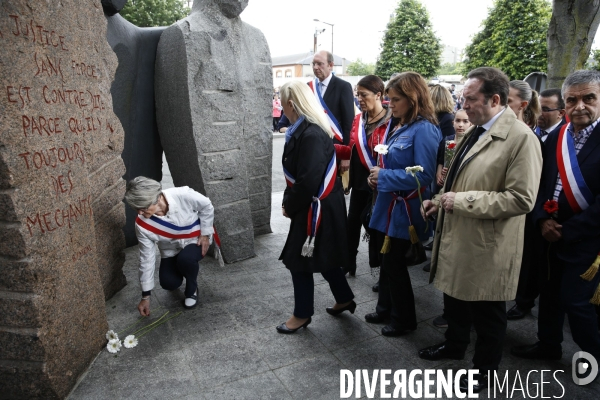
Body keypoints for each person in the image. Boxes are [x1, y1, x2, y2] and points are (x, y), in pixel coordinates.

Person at [419, 67, 542, 393]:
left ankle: (484, 372)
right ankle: (454, 345)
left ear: (496, 99)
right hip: (459, 236)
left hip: (488, 245)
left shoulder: (521, 139)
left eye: (470, 99)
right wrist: (437, 200)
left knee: (488, 313)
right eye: (463, 98)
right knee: (455, 300)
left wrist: (460, 201)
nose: (464, 105)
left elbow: (522, 199)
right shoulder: (475, 129)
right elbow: (458, 176)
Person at [511, 70, 600, 363]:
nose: (580, 106)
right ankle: (548, 346)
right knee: (548, 296)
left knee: (577, 302)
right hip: (548, 236)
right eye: (572, 100)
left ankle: (592, 359)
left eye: (589, 98)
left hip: (586, 241)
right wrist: (540, 219)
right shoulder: (555, 138)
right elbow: (534, 184)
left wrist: (568, 230)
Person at [363, 72, 441, 337]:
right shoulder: (398, 125)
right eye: (388, 99)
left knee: (395, 264)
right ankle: (385, 308)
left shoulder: (425, 129)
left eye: (395, 100)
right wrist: (376, 177)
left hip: (406, 208)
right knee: (387, 261)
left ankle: (404, 319)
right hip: (388, 203)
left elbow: (424, 174)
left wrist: (384, 176)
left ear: (413, 98)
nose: (389, 104)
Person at [277, 80, 355, 334]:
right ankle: (343, 298)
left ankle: (302, 314)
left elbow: (307, 181)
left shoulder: (309, 133)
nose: (281, 110)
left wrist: (290, 205)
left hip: (315, 207)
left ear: (291, 103)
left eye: (282, 103)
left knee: (299, 260)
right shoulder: (306, 129)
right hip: (320, 205)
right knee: (324, 255)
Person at [507, 88, 567, 321]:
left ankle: (527, 303)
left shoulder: (559, 136)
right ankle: (523, 299)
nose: (541, 113)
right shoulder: (537, 132)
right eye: (539, 107)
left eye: (547, 109)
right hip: (535, 209)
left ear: (561, 112)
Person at [124, 177, 214, 315]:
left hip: (195, 240)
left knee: (186, 259)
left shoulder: (183, 195)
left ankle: (192, 289)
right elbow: (146, 258)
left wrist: (206, 233)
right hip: (170, 249)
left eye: (143, 207)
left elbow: (207, 206)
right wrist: (145, 296)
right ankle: (183, 265)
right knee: (169, 283)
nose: (139, 213)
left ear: (157, 198)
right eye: (136, 208)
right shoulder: (142, 225)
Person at [334, 75, 392, 279]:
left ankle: (378, 270)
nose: (359, 98)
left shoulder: (391, 120)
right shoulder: (358, 119)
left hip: (379, 182)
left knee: (373, 227)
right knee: (352, 224)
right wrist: (328, 149)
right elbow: (351, 147)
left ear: (379, 95)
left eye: (364, 94)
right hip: (359, 180)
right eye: (357, 94)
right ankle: (349, 262)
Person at [310, 50, 355, 172]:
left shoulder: (343, 86)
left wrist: (346, 155)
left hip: (334, 148)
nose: (315, 67)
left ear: (331, 65)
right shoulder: (309, 87)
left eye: (320, 64)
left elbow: (348, 123)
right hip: (312, 147)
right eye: (313, 64)